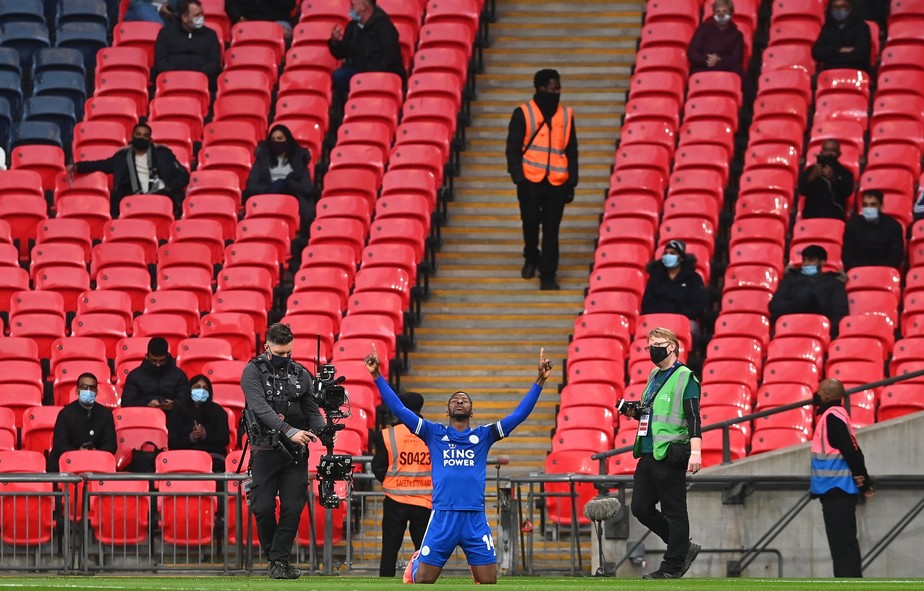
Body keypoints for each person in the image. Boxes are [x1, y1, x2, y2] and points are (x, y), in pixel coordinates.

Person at [366, 343, 552, 585]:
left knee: (489, 581)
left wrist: (540, 380)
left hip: (474, 517)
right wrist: (377, 376)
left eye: (465, 400)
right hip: (443, 516)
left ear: (471, 412)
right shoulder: (433, 433)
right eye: (455, 400)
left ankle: (474, 566)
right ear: (448, 411)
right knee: (423, 580)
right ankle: (416, 564)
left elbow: (518, 416)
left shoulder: (484, 435)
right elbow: (399, 409)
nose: (460, 401)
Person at [240, 323, 327, 580]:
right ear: (267, 347)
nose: (285, 357)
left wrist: (324, 430)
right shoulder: (252, 371)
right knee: (262, 507)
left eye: (289, 352)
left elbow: (312, 411)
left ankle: (278, 562)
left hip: (295, 453)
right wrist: (289, 430)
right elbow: (260, 408)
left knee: (292, 507)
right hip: (265, 450)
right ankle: (277, 558)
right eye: (280, 353)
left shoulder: (301, 373)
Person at [616, 327, 702, 579]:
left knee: (674, 511)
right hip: (648, 450)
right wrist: (635, 412)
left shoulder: (686, 377)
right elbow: (652, 413)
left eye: (657, 344)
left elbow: (693, 417)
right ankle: (682, 547)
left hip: (671, 452)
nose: (652, 349)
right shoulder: (654, 375)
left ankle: (672, 566)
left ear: (672, 346)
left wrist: (696, 452)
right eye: (649, 346)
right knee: (640, 507)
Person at [505, 68, 579, 291]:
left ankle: (548, 275)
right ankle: (531, 257)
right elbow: (512, 148)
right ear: (540, 88)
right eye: (552, 89)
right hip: (530, 180)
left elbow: (571, 150)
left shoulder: (566, 115)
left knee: (551, 229)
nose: (556, 93)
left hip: (557, 181)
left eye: (558, 89)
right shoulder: (523, 113)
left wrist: (572, 181)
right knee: (529, 222)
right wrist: (519, 178)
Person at [811, 378, 874, 577]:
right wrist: (863, 481)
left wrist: (863, 481)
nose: (816, 394)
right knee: (842, 549)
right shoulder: (835, 415)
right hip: (835, 491)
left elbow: (851, 452)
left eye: (820, 391)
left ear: (827, 396)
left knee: (843, 549)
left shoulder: (832, 417)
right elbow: (853, 449)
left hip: (837, 490)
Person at [67, 122, 190, 217]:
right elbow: (100, 165)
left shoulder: (163, 154)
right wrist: (78, 166)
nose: (141, 138)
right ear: (132, 137)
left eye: (145, 136)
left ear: (150, 139)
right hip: (129, 196)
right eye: (138, 134)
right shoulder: (121, 157)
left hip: (158, 194)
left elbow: (183, 175)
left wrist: (168, 188)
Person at [371, 391, 432, 578]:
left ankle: (385, 584)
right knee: (425, 550)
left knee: (390, 549)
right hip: (424, 501)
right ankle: (424, 581)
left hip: (395, 499)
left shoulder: (388, 434)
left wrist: (392, 481)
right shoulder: (432, 432)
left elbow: (378, 467)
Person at [242, 124, 316, 240]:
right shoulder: (262, 159)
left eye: (280, 139)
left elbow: (307, 189)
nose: (276, 142)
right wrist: (271, 188)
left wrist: (287, 184)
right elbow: (251, 186)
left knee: (281, 183)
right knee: (279, 184)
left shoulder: (299, 160)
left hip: (291, 198)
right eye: (274, 139)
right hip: (265, 197)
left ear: (287, 140)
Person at [769, 244, 849, 335]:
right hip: (790, 324)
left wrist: (826, 330)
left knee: (805, 294)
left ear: (822, 262)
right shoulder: (791, 279)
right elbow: (774, 306)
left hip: (819, 326)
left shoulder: (833, 282)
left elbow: (839, 312)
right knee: (804, 295)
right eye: (804, 260)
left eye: (811, 260)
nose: (806, 263)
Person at [327, 0, 405, 92]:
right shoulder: (353, 26)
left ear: (363, 6)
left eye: (353, 4)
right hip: (359, 71)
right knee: (339, 76)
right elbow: (342, 53)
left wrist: (370, 72)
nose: (351, 8)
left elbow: (390, 56)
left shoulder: (384, 26)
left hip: (383, 72)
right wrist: (334, 41)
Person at [47, 373, 118, 472]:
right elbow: (60, 445)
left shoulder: (106, 414)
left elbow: (111, 445)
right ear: (77, 390)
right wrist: (79, 453)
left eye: (92, 388)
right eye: (84, 387)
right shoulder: (65, 413)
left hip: (97, 462)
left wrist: (95, 453)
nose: (88, 390)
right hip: (67, 465)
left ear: (96, 391)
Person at [640, 240, 709, 334]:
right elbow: (647, 304)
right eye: (666, 253)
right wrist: (662, 317)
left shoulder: (694, 278)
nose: (668, 256)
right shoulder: (655, 277)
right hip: (657, 320)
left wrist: (678, 316)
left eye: (672, 253)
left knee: (690, 328)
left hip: (683, 320)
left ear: (681, 257)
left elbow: (698, 304)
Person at [152, 0, 222, 91]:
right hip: (171, 82)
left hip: (201, 82)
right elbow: (160, 62)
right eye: (197, 15)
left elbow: (214, 63)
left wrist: (198, 75)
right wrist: (178, 76)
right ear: (185, 18)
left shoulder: (210, 35)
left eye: (202, 14)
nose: (201, 17)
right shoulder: (166, 33)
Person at [166, 374, 230, 472]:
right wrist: (191, 438)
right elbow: (172, 444)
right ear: (190, 389)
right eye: (197, 387)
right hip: (184, 455)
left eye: (205, 388)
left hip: (212, 456)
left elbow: (224, 440)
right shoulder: (177, 412)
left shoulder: (218, 411)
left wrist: (205, 435)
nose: (201, 391)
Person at [121, 337, 190, 411]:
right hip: (144, 414)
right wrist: (146, 404)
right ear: (147, 356)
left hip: (172, 415)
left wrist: (174, 404)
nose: (158, 364)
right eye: (154, 360)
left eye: (162, 361)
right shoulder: (134, 376)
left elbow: (186, 400)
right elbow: (126, 403)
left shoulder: (179, 375)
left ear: (167, 356)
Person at [842, 189, 904, 271]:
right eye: (865, 205)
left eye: (873, 205)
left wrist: (877, 270)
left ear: (881, 206)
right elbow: (847, 255)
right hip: (857, 271)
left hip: (884, 271)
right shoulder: (852, 225)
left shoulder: (893, 226)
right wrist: (860, 270)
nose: (868, 208)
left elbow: (896, 257)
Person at [687, 0, 745, 81]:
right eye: (718, 11)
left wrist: (717, 61)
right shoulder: (703, 29)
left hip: (726, 70)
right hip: (703, 67)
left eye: (725, 11)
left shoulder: (737, 35)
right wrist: (706, 59)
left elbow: (736, 59)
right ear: (713, 13)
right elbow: (692, 53)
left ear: (731, 14)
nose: (721, 14)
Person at [797, 140, 855, 220]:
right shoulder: (811, 170)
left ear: (839, 154)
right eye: (827, 150)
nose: (830, 153)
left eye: (833, 150)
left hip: (835, 219)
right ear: (821, 152)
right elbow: (801, 190)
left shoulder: (845, 172)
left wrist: (833, 179)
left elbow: (847, 192)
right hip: (811, 218)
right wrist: (811, 177)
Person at [812, 0, 872, 73]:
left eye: (843, 7)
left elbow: (861, 55)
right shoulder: (827, 28)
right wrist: (839, 49)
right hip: (831, 72)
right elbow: (817, 53)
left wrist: (831, 55)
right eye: (835, 7)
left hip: (856, 71)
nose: (839, 10)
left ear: (849, 8)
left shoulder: (861, 27)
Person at [226, 0, 297, 39]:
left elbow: (290, 4)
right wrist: (240, 19)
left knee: (285, 36)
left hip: (277, 22)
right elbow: (231, 5)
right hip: (248, 23)